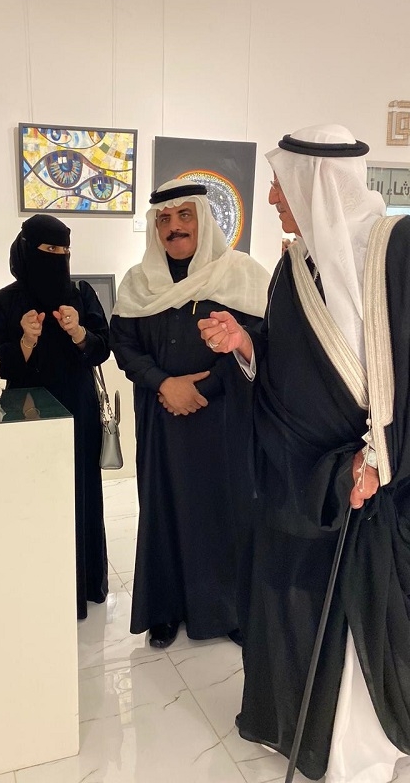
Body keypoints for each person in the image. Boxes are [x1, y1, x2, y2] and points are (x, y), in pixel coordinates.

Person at [199, 124, 410, 782]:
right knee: (286, 600)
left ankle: (353, 743)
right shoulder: (295, 265)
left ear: (317, 185)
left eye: (280, 185)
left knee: (353, 611)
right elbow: (290, 358)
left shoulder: (397, 250)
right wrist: (246, 343)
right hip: (294, 476)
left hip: (365, 483)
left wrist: (379, 457)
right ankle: (293, 724)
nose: (270, 198)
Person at [109, 179, 270, 649]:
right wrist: (165, 384)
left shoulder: (241, 274)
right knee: (163, 511)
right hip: (161, 420)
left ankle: (228, 610)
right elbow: (124, 344)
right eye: (164, 218)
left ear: (204, 220)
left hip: (223, 421)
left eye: (185, 216)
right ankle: (165, 610)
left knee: (224, 511)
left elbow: (260, 340)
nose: (174, 227)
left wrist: (201, 388)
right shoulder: (138, 283)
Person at [0, 214, 110, 620]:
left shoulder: (81, 294)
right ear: (27, 251)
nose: (58, 257)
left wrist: (79, 333)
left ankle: (82, 586)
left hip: (78, 411)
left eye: (64, 250)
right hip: (27, 415)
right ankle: (38, 589)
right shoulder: (6, 301)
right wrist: (25, 341)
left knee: (80, 493)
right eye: (49, 249)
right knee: (34, 497)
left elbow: (102, 348)